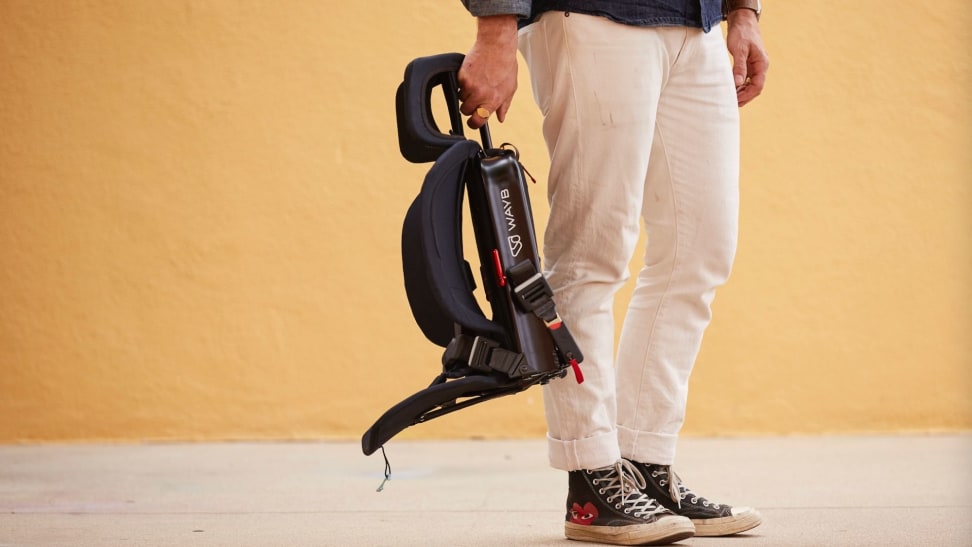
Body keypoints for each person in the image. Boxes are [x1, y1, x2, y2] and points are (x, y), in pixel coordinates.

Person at [456, 0, 769, 544]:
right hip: (593, 15)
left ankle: (644, 463)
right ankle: (591, 476)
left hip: (698, 25)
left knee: (699, 251)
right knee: (591, 253)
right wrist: (496, 29)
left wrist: (745, 11)